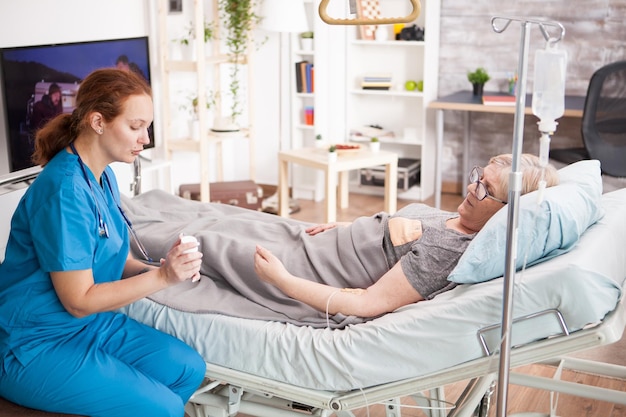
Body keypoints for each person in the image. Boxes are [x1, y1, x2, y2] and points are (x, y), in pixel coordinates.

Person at [0, 69, 206, 417]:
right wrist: (162, 278)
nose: (145, 138)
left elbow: (111, 256)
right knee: (166, 409)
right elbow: (78, 301)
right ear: (98, 121)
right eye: (136, 126)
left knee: (189, 368)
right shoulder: (63, 191)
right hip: (33, 343)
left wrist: (162, 267)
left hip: (90, 324)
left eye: (147, 127)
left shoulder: (102, 175)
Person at [253, 153, 559, 319]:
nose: (470, 187)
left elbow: (367, 304)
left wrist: (282, 280)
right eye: (478, 177)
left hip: (315, 265)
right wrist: (346, 225)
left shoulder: (448, 251)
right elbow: (398, 229)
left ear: (506, 212)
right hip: (321, 239)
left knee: (219, 246)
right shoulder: (459, 219)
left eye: (485, 190)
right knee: (231, 221)